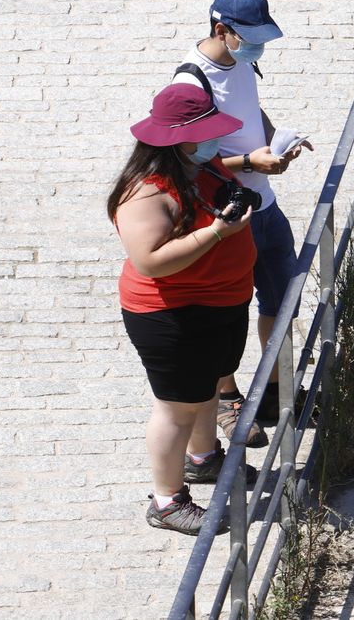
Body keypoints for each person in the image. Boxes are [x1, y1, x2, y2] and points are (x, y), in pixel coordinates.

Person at [110, 82, 258, 535]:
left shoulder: (199, 162)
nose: (215, 142)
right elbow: (150, 261)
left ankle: (203, 458)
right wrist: (217, 233)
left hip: (219, 304)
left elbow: (222, 170)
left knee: (208, 389)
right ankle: (168, 502)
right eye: (207, 134)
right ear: (175, 139)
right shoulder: (145, 195)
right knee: (176, 409)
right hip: (171, 315)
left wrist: (247, 170)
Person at [173, 0, 311, 449]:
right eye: (251, 37)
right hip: (229, 216)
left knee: (280, 299)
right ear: (221, 30)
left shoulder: (243, 62)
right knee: (226, 313)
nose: (259, 47)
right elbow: (186, 162)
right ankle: (229, 399)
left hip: (266, 207)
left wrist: (278, 141)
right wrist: (250, 163)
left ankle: (272, 390)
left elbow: (253, 110)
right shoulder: (191, 84)